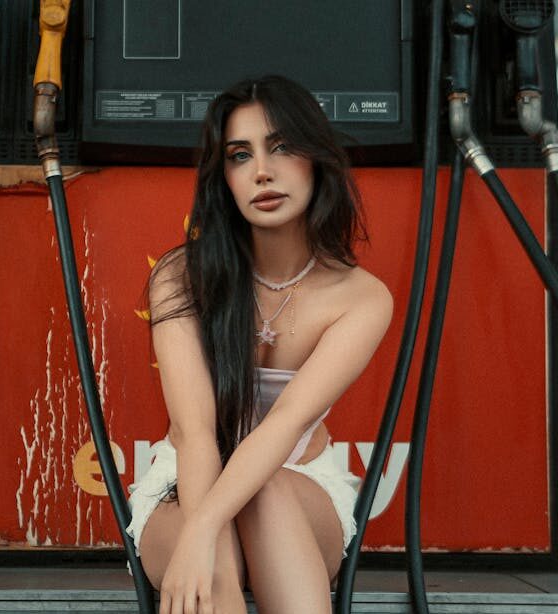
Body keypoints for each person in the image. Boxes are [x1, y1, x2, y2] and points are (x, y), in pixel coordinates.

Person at [125, 75, 393, 614]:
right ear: (223, 176)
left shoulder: (362, 298)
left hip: (298, 485)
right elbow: (195, 431)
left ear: (317, 158)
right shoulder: (182, 275)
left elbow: (286, 424)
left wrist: (205, 531)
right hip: (187, 479)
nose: (262, 172)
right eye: (240, 156)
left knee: (264, 489)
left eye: (282, 147)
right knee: (210, 560)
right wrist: (203, 534)